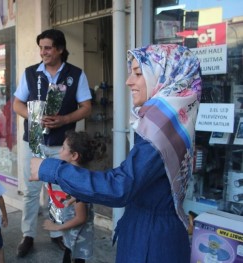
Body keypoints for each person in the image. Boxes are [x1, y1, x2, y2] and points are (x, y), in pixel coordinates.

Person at [30, 44, 202, 262]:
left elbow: (120, 187)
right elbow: (139, 183)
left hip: (150, 241)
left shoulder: (161, 133)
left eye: (138, 73)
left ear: (165, 78)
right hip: (153, 230)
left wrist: (50, 168)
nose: (129, 81)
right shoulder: (170, 124)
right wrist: (82, 189)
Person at [13, 28, 92, 257]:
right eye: (41, 48)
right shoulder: (30, 73)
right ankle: (27, 235)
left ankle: (57, 233)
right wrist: (33, 116)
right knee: (31, 191)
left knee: (57, 191)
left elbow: (87, 107)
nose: (43, 52)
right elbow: (17, 103)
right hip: (35, 141)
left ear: (60, 49)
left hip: (63, 145)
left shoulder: (76, 74)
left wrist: (65, 119)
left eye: (47, 48)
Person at [42, 130, 95, 263]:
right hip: (73, 235)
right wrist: (67, 196)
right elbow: (78, 198)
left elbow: (81, 218)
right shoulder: (78, 175)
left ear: (74, 155)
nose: (60, 150)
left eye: (64, 148)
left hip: (78, 238)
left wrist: (56, 227)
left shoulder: (77, 183)